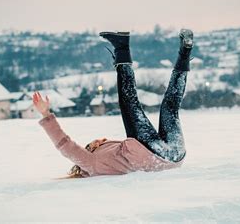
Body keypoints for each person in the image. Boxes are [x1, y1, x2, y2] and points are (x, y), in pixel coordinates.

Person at [33, 29, 194, 178]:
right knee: (129, 102)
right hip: (152, 158)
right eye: (93, 144)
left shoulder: (104, 159)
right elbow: (66, 146)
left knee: (170, 108)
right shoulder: (90, 163)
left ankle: (185, 52)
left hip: (175, 156)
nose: (98, 140)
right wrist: (46, 115)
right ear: (90, 149)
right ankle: (121, 47)